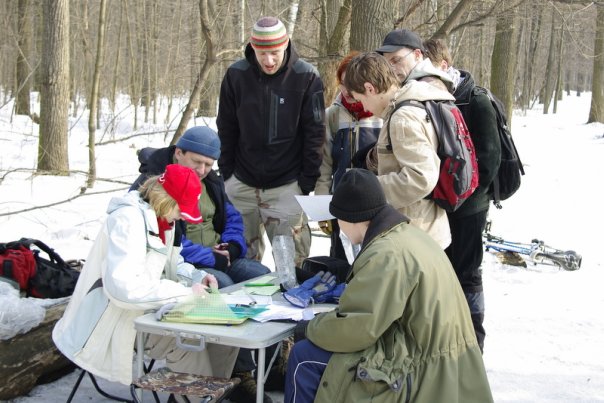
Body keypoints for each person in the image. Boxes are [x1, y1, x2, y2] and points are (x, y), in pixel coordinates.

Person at [284, 168, 493, 403]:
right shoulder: (407, 235)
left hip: (423, 369)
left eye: (337, 219)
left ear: (351, 218)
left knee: (304, 357)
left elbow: (358, 328)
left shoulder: (385, 254)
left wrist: (309, 328)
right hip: (447, 361)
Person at [53, 164, 238, 388]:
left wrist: (196, 277)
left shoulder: (163, 220)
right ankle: (199, 395)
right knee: (189, 341)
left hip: (148, 309)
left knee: (226, 335)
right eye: (181, 210)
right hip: (116, 317)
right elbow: (125, 289)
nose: (182, 218)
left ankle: (209, 394)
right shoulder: (127, 220)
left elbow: (172, 262)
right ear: (166, 200)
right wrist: (185, 294)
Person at [217, 16, 325, 269]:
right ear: (252, 48)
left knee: (293, 267)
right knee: (239, 264)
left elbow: (315, 133)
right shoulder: (236, 74)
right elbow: (226, 128)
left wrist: (306, 181)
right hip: (241, 184)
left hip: (287, 186)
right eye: (261, 53)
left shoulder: (307, 76)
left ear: (286, 44)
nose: (268, 61)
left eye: (275, 53)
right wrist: (228, 174)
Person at [424, 38, 502, 352]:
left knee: (467, 273)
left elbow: (489, 160)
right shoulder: (429, 100)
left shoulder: (475, 100)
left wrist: (460, 197)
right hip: (439, 204)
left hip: (469, 208)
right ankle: (445, 343)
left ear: (444, 66)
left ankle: (473, 344)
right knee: (441, 273)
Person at [131, 126, 271, 289]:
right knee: (222, 285)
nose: (202, 170)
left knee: (262, 275)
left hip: (218, 254)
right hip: (186, 261)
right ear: (178, 153)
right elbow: (161, 238)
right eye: (196, 162)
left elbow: (232, 217)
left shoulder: (212, 182)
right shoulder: (157, 183)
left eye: (208, 165)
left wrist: (231, 246)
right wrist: (209, 257)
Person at [343, 51, 452, 249]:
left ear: (370, 88)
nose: (364, 106)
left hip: (417, 233)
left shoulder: (403, 117)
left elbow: (421, 177)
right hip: (418, 230)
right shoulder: (405, 106)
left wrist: (370, 189)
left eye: (360, 99)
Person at [314, 51, 383, 261]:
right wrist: (322, 206)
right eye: (342, 83)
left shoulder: (384, 113)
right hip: (341, 203)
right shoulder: (333, 115)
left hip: (377, 204)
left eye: (351, 83)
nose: (346, 90)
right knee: (341, 261)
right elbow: (324, 164)